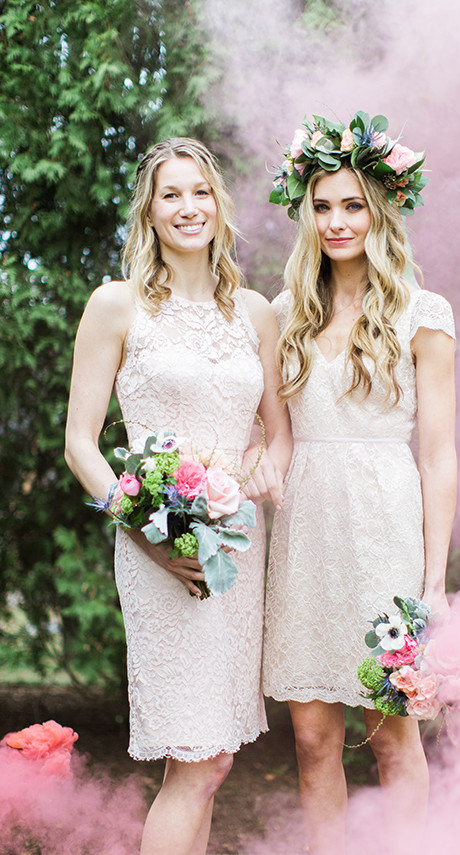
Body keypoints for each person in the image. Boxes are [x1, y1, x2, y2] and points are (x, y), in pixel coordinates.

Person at [65, 137, 291, 855]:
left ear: (219, 206)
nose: (187, 206)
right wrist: (146, 532)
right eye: (171, 194)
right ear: (150, 211)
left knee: (215, 758)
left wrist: (261, 463)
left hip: (235, 549)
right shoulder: (116, 306)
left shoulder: (255, 312)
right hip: (158, 546)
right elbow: (80, 443)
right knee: (192, 758)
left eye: (200, 192)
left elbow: (278, 435)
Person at [263, 113, 457, 854]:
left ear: (381, 211)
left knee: (391, 734)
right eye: (322, 205)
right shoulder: (284, 313)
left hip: (384, 530)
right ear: (306, 213)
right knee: (313, 740)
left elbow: (438, 456)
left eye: (352, 205)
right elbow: (269, 439)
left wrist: (434, 580)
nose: (337, 220)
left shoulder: (422, 314)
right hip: (309, 532)